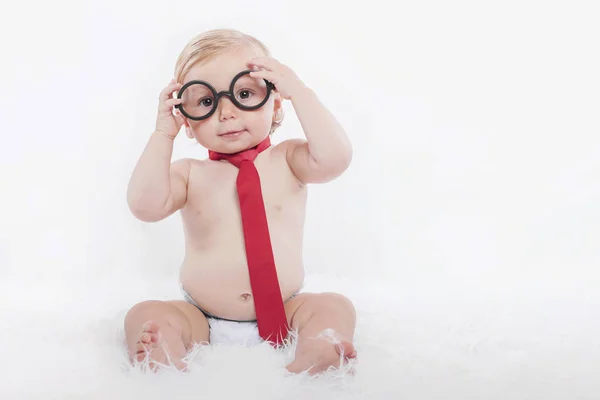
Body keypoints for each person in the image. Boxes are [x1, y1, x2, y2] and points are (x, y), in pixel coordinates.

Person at [124, 28, 357, 375]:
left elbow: (336, 158)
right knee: (143, 312)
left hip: (287, 307)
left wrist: (301, 93)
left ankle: (319, 347)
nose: (227, 112)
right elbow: (145, 205)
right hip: (202, 316)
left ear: (276, 103)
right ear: (186, 121)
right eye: (205, 102)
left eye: (244, 93)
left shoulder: (288, 158)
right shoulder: (190, 173)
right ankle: (165, 352)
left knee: (335, 306)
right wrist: (162, 133)